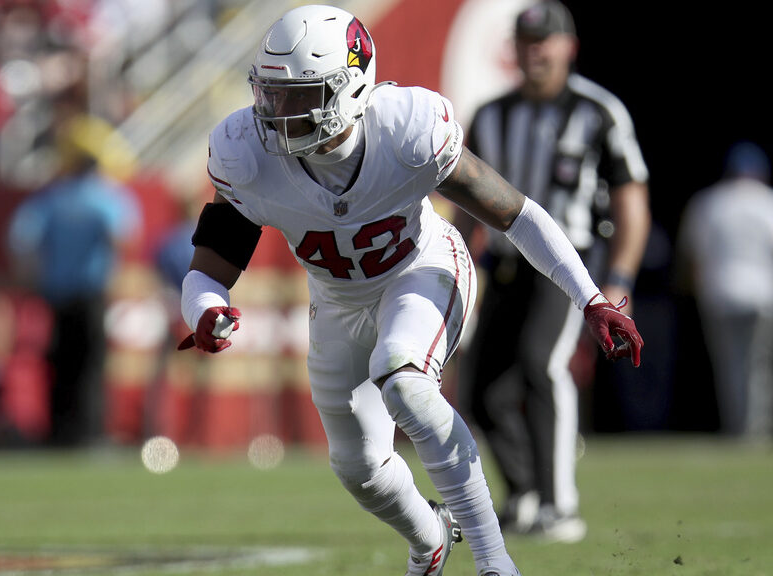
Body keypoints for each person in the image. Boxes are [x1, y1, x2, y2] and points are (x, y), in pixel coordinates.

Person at [177, 5, 642, 576]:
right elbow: (207, 271)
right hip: (336, 301)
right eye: (272, 94)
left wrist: (590, 297)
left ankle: (497, 565)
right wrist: (206, 308)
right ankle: (430, 541)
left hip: (419, 269)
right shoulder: (246, 152)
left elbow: (516, 216)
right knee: (359, 467)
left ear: (350, 88)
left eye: (301, 96)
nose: (279, 113)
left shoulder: (406, 128)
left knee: (406, 382)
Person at [458, 0, 651, 543]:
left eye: (545, 41)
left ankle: (559, 504)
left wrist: (618, 280)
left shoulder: (599, 111)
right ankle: (522, 495)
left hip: (573, 262)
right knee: (480, 390)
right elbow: (465, 202)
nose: (535, 51)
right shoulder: (490, 114)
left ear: (569, 46)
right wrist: (460, 267)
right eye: (525, 41)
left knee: (541, 363)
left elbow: (631, 200)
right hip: (503, 267)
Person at [7, 114, 142, 448]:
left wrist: (35, 278)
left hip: (56, 294)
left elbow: (20, 241)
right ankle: (92, 433)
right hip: (91, 293)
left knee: (59, 365)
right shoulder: (105, 198)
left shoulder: (51, 199)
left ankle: (59, 433)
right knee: (92, 366)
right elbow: (125, 237)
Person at [676, 141, 773, 439]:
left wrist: (691, 289)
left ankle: (737, 429)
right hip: (762, 294)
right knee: (759, 366)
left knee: (730, 365)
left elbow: (693, 256)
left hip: (720, 293)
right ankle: (754, 429)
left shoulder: (708, 202)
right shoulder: (768, 201)